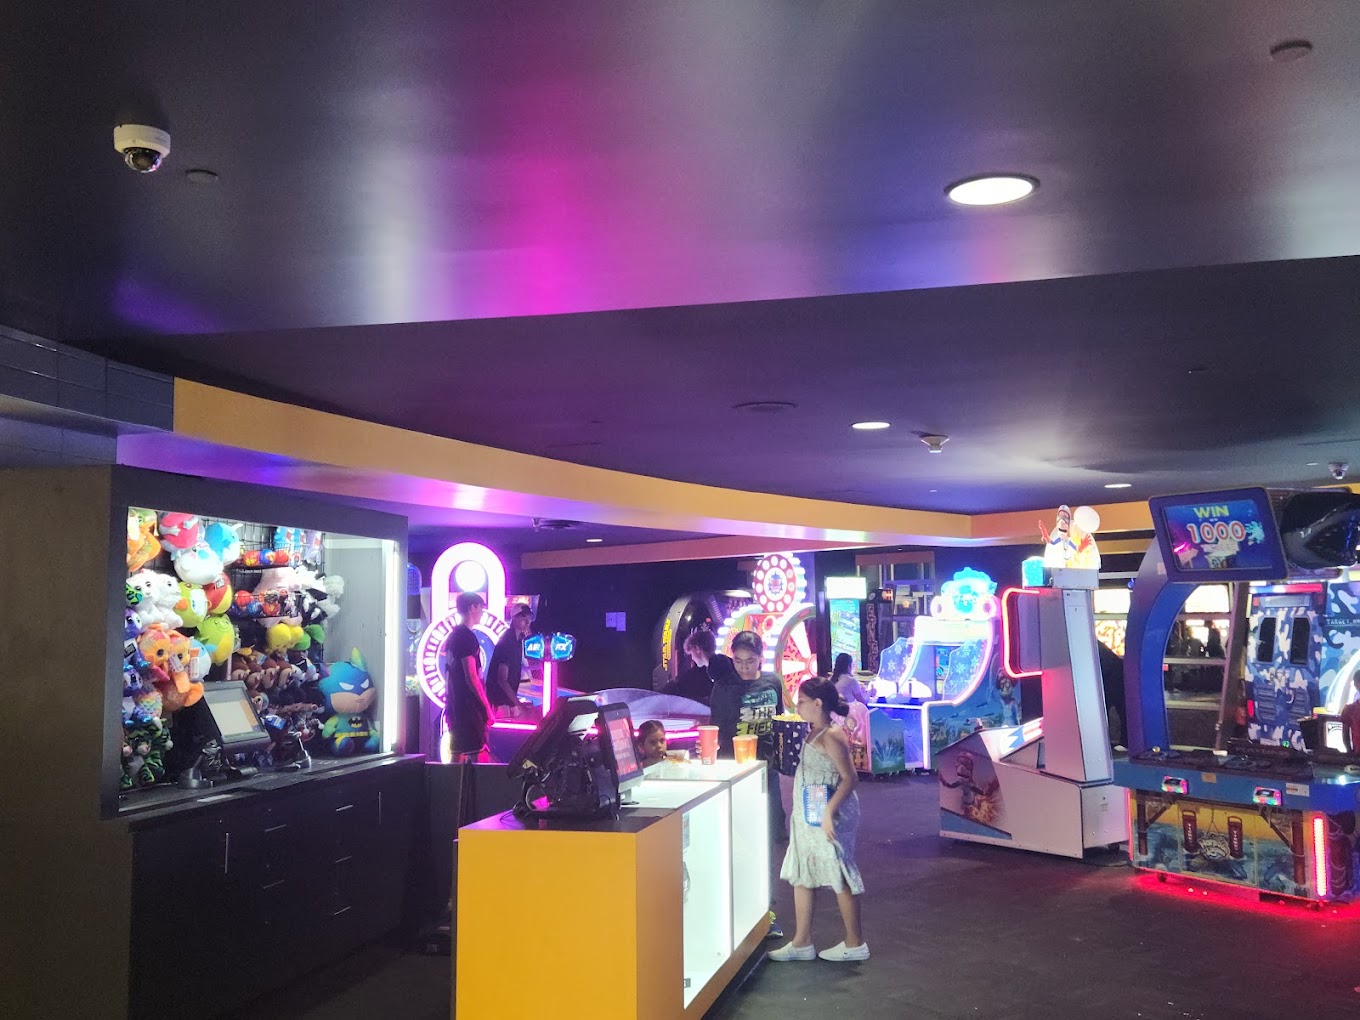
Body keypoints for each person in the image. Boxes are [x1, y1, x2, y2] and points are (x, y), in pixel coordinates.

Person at [768, 676, 868, 963]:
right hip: (809, 811)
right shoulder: (814, 732)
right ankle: (802, 941)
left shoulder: (832, 736)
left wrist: (829, 812)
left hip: (827, 813)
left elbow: (849, 778)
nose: (797, 707)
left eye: (801, 702)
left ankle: (855, 942)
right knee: (803, 871)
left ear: (818, 703)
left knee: (838, 871)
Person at [710, 629, 789, 937]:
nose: (744, 667)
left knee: (766, 840)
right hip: (735, 771)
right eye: (738, 661)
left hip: (766, 771)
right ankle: (735, 908)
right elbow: (716, 729)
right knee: (737, 840)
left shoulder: (773, 683)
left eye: (750, 661)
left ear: (760, 658)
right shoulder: (723, 687)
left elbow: (780, 722)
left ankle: (765, 911)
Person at [444, 591, 492, 763]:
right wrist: (486, 708)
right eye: (481, 608)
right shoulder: (466, 637)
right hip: (469, 708)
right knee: (478, 754)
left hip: (455, 706)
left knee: (457, 753)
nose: (482, 612)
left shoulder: (453, 636)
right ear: (472, 608)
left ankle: (452, 782)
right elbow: (471, 676)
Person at [487, 605, 532, 718]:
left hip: (507, 702)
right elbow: (502, 679)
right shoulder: (507, 642)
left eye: (529, 617)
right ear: (514, 618)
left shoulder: (518, 640)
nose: (527, 621)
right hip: (499, 702)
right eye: (523, 617)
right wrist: (519, 705)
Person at [663, 630, 717, 705]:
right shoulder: (726, 664)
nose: (692, 658)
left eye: (691, 654)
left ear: (697, 649)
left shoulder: (697, 674)